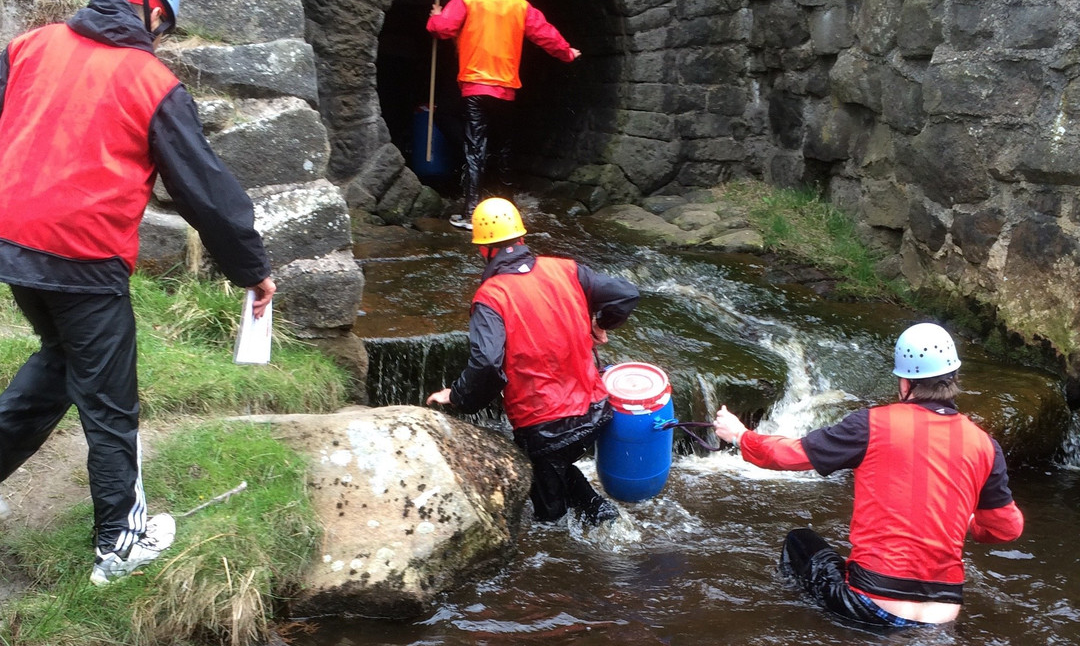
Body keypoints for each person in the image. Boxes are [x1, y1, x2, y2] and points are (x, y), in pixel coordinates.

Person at [0, 0, 276, 585]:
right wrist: (252, 269)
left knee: (59, 367)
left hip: (14, 247)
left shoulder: (28, 47)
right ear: (150, 7)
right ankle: (120, 544)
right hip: (82, 257)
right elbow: (204, 189)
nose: (162, 36)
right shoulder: (151, 83)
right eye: (164, 23)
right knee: (109, 403)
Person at [713, 322, 1024, 628]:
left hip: (870, 606)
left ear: (905, 383)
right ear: (954, 377)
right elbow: (1006, 529)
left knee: (800, 542)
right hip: (942, 617)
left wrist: (741, 436)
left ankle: (799, 626)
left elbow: (787, 455)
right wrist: (971, 521)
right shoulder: (985, 444)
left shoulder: (872, 424)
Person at [426, 197, 638, 524]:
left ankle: (606, 530)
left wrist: (456, 396)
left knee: (549, 523)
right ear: (522, 238)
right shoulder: (568, 270)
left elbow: (486, 366)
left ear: (484, 250)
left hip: (547, 429)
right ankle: (604, 515)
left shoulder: (491, 297)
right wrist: (600, 324)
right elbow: (627, 294)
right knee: (558, 470)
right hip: (596, 412)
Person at [426, 0, 581, 230]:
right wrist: (567, 52)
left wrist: (434, 17)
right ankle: (509, 209)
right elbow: (545, 34)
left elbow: (443, 29)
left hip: (475, 87)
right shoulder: (519, 5)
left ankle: (471, 212)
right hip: (507, 90)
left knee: (476, 149)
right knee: (504, 148)